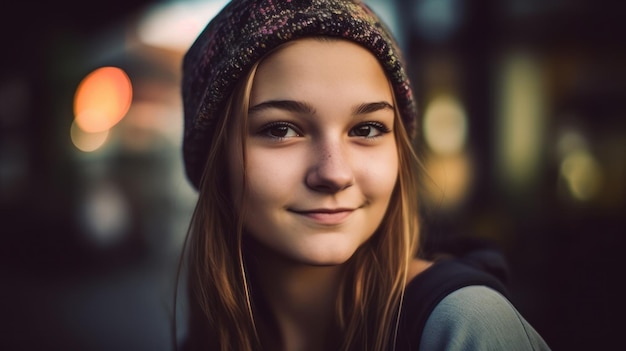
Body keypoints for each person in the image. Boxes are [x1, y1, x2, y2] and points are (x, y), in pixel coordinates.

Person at [177, 0, 551, 350]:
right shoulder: (213, 336)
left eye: (367, 129)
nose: (334, 174)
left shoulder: (465, 326)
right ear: (215, 156)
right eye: (281, 130)